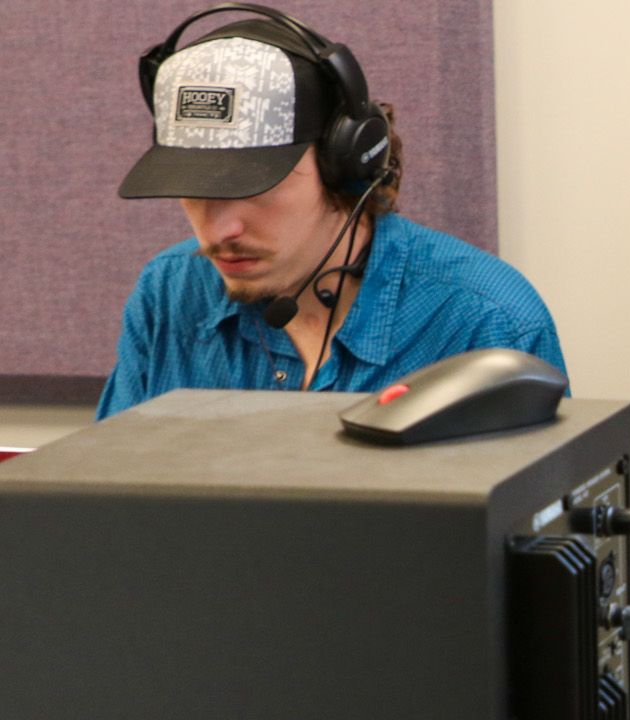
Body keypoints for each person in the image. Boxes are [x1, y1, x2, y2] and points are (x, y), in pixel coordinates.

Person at [99, 10, 564, 420]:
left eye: (256, 189)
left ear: (343, 163)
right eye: (194, 192)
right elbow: (106, 504)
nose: (219, 231)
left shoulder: (486, 322)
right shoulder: (167, 294)